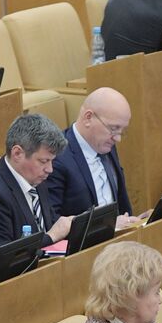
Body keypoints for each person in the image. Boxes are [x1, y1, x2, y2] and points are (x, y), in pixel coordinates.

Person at [0, 113, 72, 276]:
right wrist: (51, 237)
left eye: (51, 161)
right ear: (17, 153)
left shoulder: (35, 178)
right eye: (44, 161)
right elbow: (3, 261)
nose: (50, 169)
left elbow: (51, 225)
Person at [41, 87, 140, 226]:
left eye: (121, 131)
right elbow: (52, 222)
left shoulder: (105, 143)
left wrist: (136, 222)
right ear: (88, 118)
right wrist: (108, 224)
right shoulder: (57, 157)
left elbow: (121, 204)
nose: (118, 138)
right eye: (113, 128)